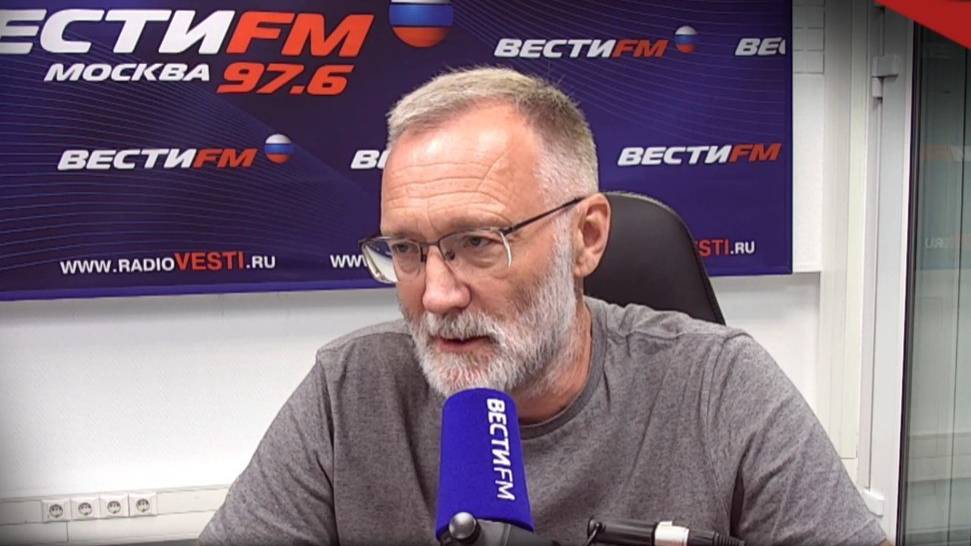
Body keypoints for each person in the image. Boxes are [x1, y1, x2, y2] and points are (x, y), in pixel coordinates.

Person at [199, 67, 887, 546]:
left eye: (477, 242)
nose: (436, 295)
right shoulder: (349, 391)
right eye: (406, 249)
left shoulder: (719, 385)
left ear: (585, 238)